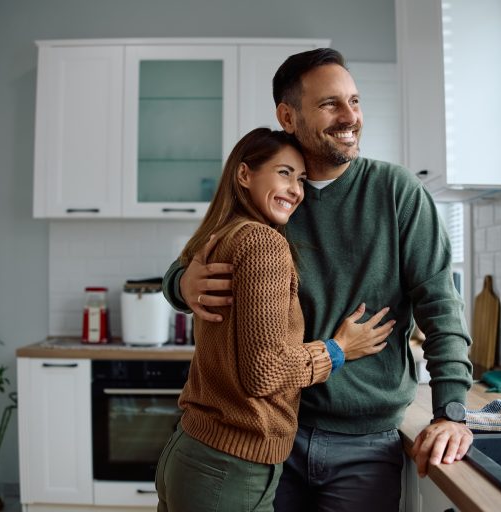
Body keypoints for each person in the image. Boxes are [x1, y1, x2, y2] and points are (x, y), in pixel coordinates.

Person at [162, 49, 474, 511]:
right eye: (330, 104)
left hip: (366, 444)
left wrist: (451, 411)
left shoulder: (396, 191)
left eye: (354, 101)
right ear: (288, 116)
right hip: (274, 436)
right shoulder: (274, 199)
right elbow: (194, 260)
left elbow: (440, 304)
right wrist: (182, 285)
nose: (350, 116)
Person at [155, 127, 395, 512]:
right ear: (245, 174)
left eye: (300, 179)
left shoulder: (218, 236)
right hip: (229, 467)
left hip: (193, 453)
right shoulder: (263, 243)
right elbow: (263, 372)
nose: (296, 190)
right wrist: (338, 349)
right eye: (284, 173)